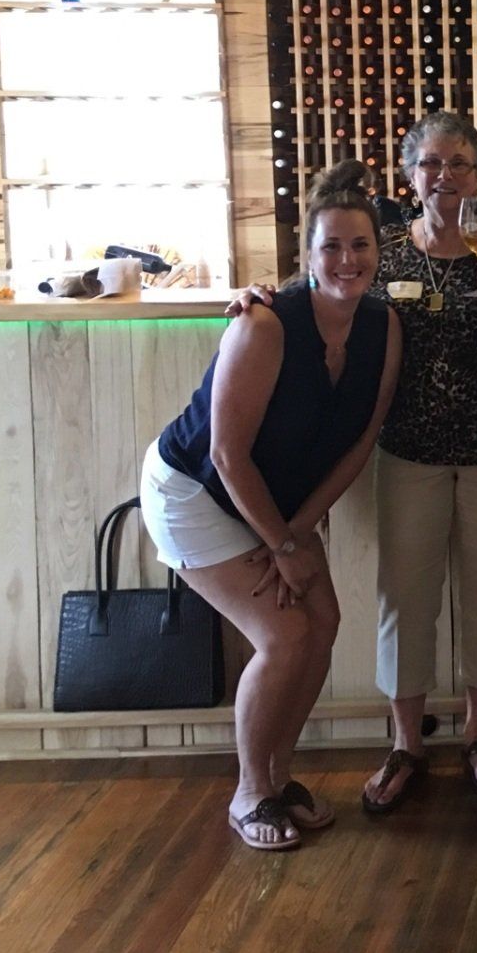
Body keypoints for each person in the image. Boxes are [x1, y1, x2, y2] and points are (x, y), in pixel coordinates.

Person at [140, 161, 402, 851]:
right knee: (284, 634)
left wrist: (297, 529)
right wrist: (282, 549)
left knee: (323, 621)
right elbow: (226, 453)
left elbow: (362, 438)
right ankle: (249, 790)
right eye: (332, 247)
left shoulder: (384, 327)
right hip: (195, 491)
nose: (347, 261)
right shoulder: (264, 325)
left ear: (379, 251)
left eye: (361, 246)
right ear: (307, 257)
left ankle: (280, 777)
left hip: (274, 502)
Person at [355, 112, 477, 813]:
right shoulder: (384, 254)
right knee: (404, 598)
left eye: (461, 163)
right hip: (411, 451)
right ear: (410, 178)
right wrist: (259, 299)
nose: (446, 177)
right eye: (432, 164)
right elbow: (324, 296)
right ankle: (406, 743)